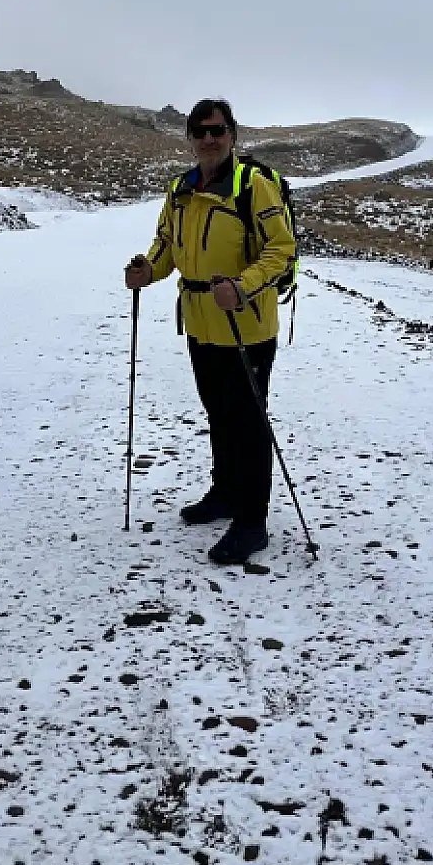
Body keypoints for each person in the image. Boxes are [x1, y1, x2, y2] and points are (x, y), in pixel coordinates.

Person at [124, 98, 297, 565]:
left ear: (233, 135)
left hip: (247, 326)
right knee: (218, 413)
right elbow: (167, 247)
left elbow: (281, 250)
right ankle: (224, 494)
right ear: (190, 137)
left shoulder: (254, 187)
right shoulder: (180, 189)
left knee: (250, 422)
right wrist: (148, 269)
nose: (208, 139)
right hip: (201, 324)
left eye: (217, 130)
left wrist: (242, 287)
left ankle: (252, 521)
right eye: (199, 131)